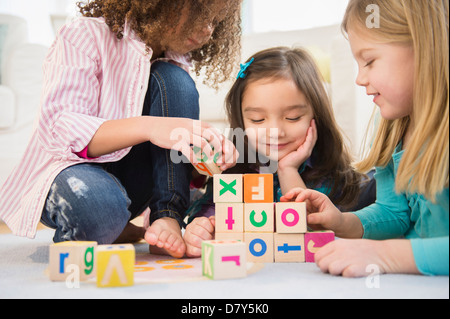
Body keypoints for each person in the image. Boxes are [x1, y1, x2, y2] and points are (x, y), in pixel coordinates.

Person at [0, 0, 241, 258]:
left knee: (175, 79)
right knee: (97, 208)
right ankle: (113, 223)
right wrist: (151, 127)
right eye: (199, 14)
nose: (207, 29)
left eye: (215, 21)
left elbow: (167, 161)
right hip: (69, 174)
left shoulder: (176, 63)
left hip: (129, 188)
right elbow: (61, 128)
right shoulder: (84, 34)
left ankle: (167, 216)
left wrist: (203, 157)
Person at [282, 0, 449, 277]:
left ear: (426, 46)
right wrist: (341, 221)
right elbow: (394, 213)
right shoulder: (393, 128)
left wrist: (384, 255)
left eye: (369, 61)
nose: (360, 79)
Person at [184, 47, 376, 257]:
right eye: (257, 120)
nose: (275, 132)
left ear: (316, 116)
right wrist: (202, 227)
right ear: (241, 122)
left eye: (292, 117)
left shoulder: (331, 177)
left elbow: (311, 235)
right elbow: (211, 209)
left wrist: (288, 170)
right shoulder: (235, 171)